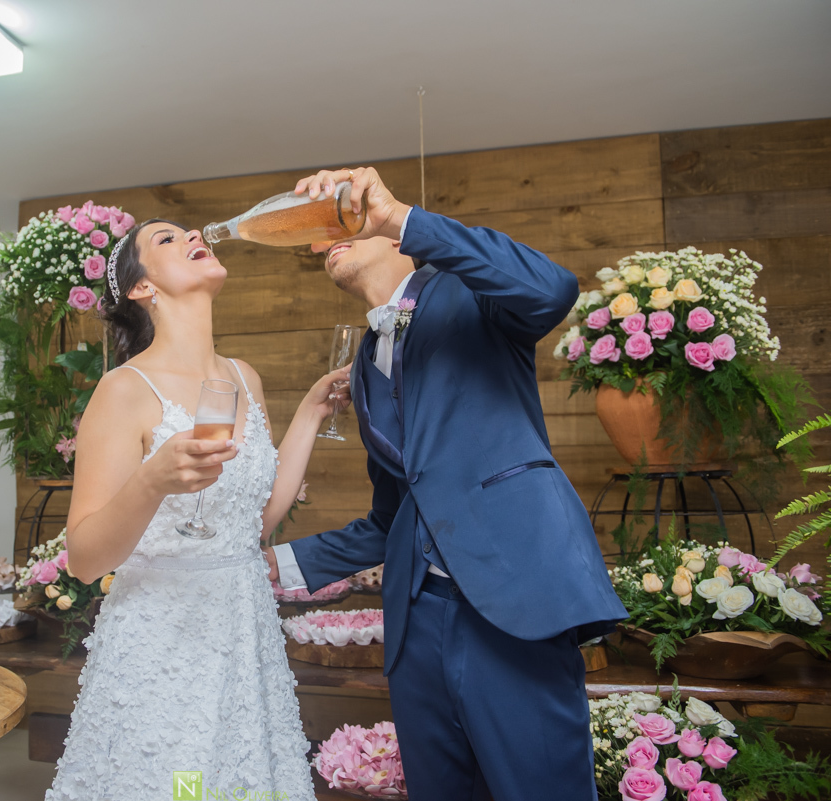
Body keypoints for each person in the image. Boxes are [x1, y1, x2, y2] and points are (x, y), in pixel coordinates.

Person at [264, 168, 628, 801]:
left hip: (515, 603)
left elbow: (553, 288)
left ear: (398, 236)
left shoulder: (471, 292)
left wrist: (398, 215)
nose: (325, 239)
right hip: (417, 621)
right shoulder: (364, 365)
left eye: (350, 223)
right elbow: (394, 515)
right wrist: (281, 565)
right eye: (320, 242)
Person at [44, 218, 348, 801]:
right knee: (178, 786)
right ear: (142, 287)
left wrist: (311, 412)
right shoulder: (124, 389)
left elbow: (253, 524)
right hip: (163, 643)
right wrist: (152, 481)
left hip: (243, 632)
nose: (191, 238)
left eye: (190, 233)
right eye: (166, 239)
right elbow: (83, 560)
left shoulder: (242, 378)